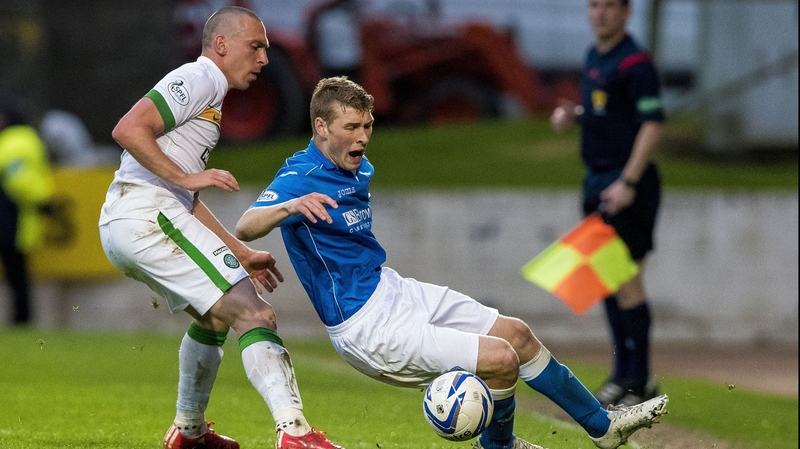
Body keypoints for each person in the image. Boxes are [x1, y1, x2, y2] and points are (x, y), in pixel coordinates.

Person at [235, 76, 669, 449]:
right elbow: (246, 225)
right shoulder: (299, 175)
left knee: (517, 334)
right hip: (366, 325)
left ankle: (603, 428)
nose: (363, 137)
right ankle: (497, 445)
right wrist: (290, 207)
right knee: (500, 360)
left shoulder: (358, 165)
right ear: (320, 126)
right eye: (352, 127)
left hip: (391, 290)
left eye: (368, 125)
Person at [98, 7, 343, 449]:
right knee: (255, 313)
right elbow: (129, 128)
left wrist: (241, 252)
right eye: (256, 46)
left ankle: (189, 433)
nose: (265, 58)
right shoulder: (201, 77)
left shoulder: (209, 94)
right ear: (222, 45)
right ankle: (295, 433)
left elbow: (184, 201)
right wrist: (185, 177)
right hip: (144, 215)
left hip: (138, 217)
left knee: (213, 318)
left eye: (266, 48)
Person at [550, 0, 665, 408]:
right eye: (594, 5)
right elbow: (610, 112)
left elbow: (652, 123)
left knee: (625, 280)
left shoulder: (636, 62)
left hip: (625, 185)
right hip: (597, 182)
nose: (599, 13)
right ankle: (623, 375)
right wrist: (576, 115)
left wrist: (628, 181)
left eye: (609, 6)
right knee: (605, 279)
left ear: (625, 13)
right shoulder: (596, 56)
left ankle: (638, 380)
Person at [0, 100, 54, 325]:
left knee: (16, 273)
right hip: (13, 214)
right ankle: (22, 319)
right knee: (17, 273)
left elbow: (19, 177)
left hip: (9, 214)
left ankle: (22, 319)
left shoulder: (15, 141)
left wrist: (39, 199)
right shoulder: (25, 138)